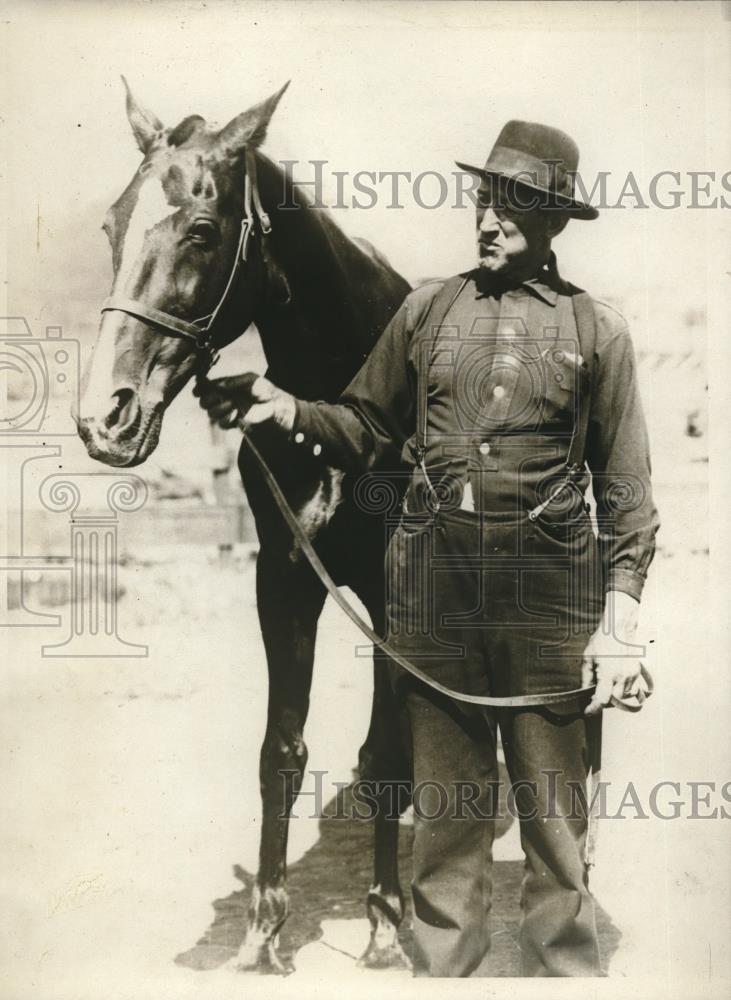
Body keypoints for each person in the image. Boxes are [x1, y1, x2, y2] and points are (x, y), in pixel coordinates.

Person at [198, 120, 659, 977]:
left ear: (552, 219)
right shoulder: (426, 310)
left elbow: (626, 489)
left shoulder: (598, 332)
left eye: (510, 204)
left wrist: (620, 620)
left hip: (551, 612)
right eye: (482, 199)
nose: (486, 218)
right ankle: (446, 974)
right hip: (432, 608)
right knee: (445, 828)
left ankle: (564, 973)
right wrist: (286, 408)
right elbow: (368, 426)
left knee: (555, 827)